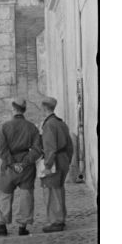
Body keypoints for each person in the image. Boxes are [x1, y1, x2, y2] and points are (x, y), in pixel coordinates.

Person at [0, 98, 42, 237]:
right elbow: (38, 150)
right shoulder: (32, 127)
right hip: (26, 169)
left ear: (13, 110)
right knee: (26, 196)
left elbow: (2, 150)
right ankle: (22, 227)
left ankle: (2, 225)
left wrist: (12, 163)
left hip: (9, 167)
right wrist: (24, 163)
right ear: (24, 111)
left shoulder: (5, 127)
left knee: (5, 195)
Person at [39, 97, 74, 233]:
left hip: (54, 161)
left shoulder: (49, 125)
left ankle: (56, 221)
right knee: (59, 189)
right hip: (63, 159)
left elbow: (50, 148)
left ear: (44, 108)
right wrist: (68, 159)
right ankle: (60, 218)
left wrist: (47, 166)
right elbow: (70, 145)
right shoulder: (61, 123)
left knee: (52, 190)